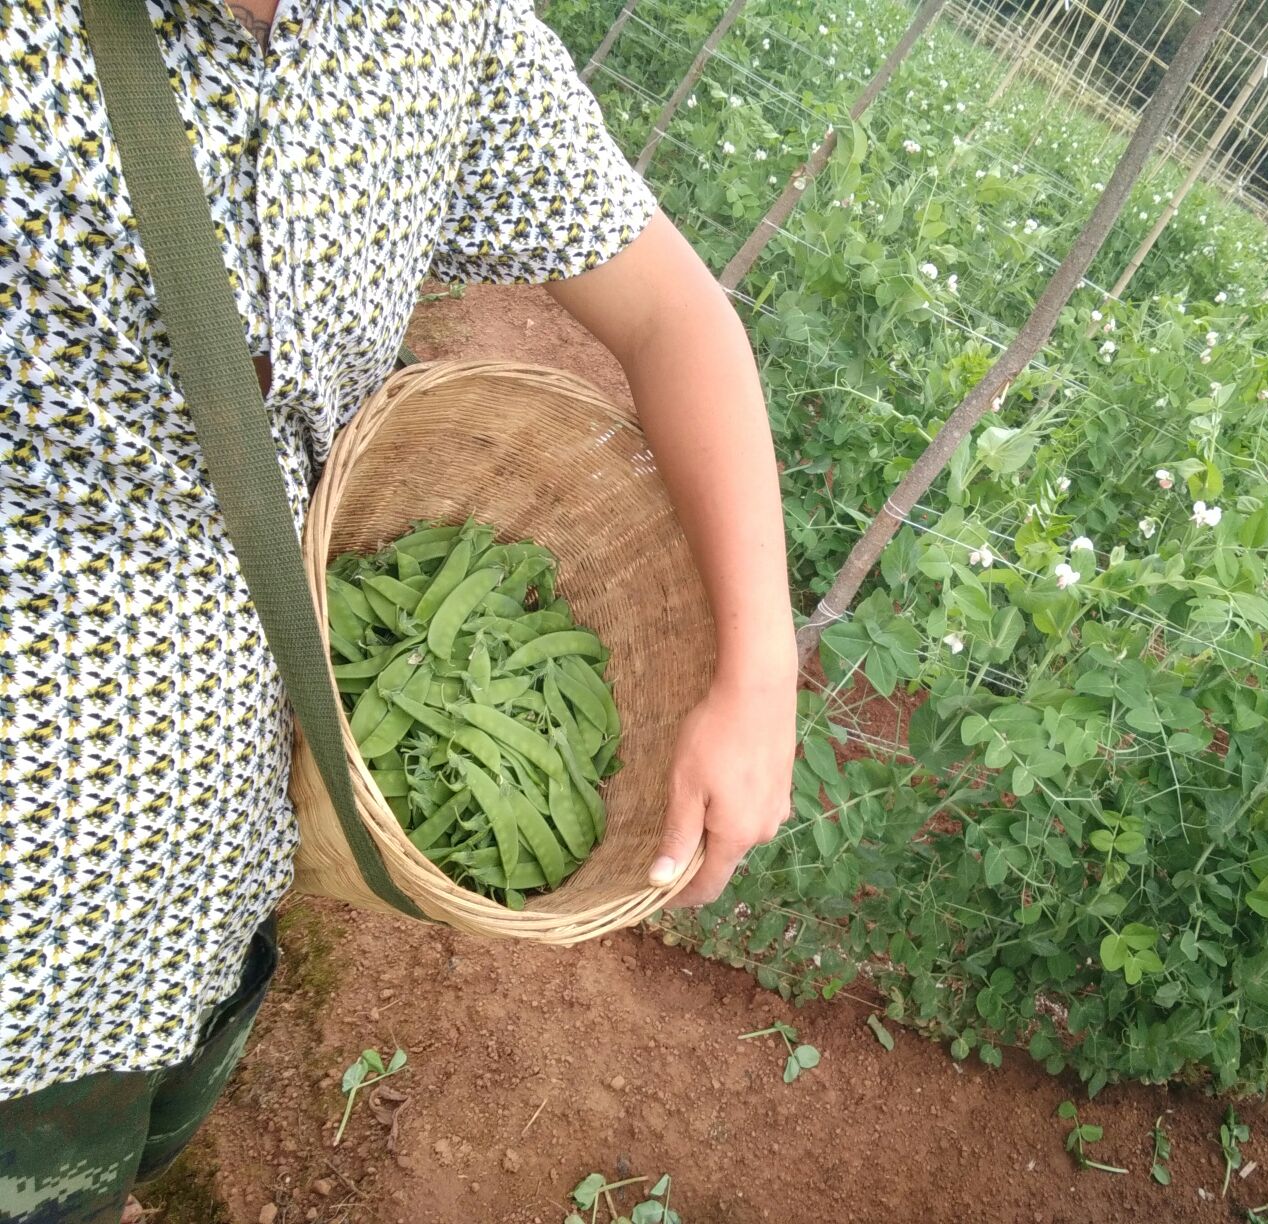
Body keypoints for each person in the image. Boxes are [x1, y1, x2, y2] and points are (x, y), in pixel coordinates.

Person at [0, 0, 797, 1219]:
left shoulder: (439, 29)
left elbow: (672, 310)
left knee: (89, 1175)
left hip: (209, 896)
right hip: (34, 920)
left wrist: (760, 669)